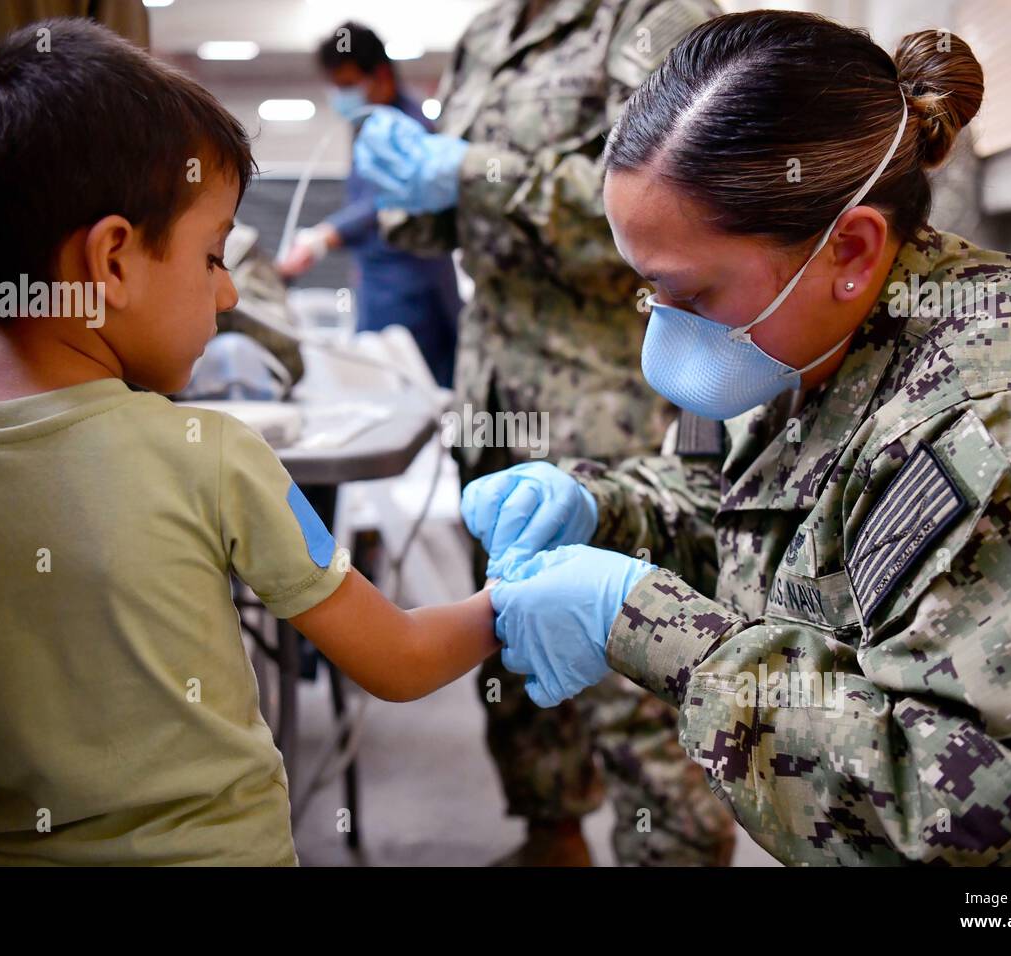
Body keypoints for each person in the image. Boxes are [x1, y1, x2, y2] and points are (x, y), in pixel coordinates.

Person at [468, 11, 1011, 865]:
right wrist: (603, 512)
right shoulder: (814, 323)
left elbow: (983, 812)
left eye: (689, 293)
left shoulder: (1007, 415)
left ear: (851, 246)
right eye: (646, 292)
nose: (667, 332)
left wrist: (647, 625)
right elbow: (767, 523)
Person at [0, 18, 497, 866]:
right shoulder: (212, 454)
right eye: (214, 256)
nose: (226, 294)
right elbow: (399, 659)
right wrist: (513, 604)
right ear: (112, 260)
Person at [353, 0, 733, 866]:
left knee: (631, 664)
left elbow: (671, 208)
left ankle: (670, 852)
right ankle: (551, 839)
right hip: (491, 391)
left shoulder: (651, 17)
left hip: (607, 403)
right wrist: (406, 179)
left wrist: (476, 172)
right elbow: (439, 224)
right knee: (510, 646)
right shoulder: (489, 34)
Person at [275, 21, 460, 388]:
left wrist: (324, 237)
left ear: (380, 76)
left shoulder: (408, 129)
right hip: (379, 283)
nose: (341, 96)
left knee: (414, 397)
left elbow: (387, 200)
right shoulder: (369, 124)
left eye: (347, 85)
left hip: (410, 288)